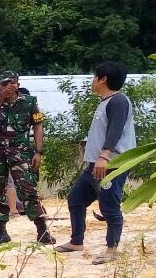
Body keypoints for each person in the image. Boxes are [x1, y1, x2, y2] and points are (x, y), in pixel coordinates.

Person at [58, 61, 137, 265]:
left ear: (103, 79)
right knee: (76, 199)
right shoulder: (105, 101)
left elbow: (115, 130)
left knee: (110, 205)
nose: (92, 81)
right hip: (94, 165)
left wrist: (104, 156)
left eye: (95, 77)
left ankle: (112, 248)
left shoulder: (118, 101)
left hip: (110, 164)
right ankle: (77, 241)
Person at [0, 72, 53, 246]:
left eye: (11, 83)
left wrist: (39, 151)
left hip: (20, 151)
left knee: (28, 189)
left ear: (17, 84)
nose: (7, 86)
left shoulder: (29, 102)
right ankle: (1, 233)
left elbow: (38, 126)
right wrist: (2, 96)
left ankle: (42, 231)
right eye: (4, 84)